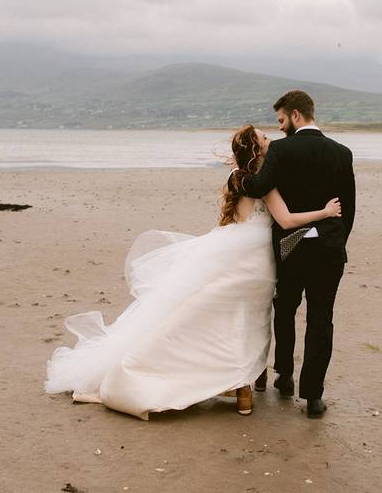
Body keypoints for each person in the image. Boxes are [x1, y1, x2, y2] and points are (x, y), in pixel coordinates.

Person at [44, 124, 341, 420]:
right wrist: (325, 212)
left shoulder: (235, 176)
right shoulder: (263, 182)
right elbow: (287, 221)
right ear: (256, 148)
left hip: (231, 247)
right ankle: (243, 382)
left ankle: (242, 381)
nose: (270, 140)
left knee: (208, 310)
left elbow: (233, 218)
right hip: (257, 257)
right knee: (251, 316)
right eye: (264, 138)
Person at [237, 90, 355, 419]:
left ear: (296, 116)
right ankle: (314, 398)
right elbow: (349, 208)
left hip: (290, 246)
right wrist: (336, 240)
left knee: (285, 309)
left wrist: (238, 176)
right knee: (321, 320)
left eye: (281, 120)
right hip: (329, 249)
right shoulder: (342, 153)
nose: (280, 127)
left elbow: (259, 187)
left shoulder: (281, 150)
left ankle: (284, 376)